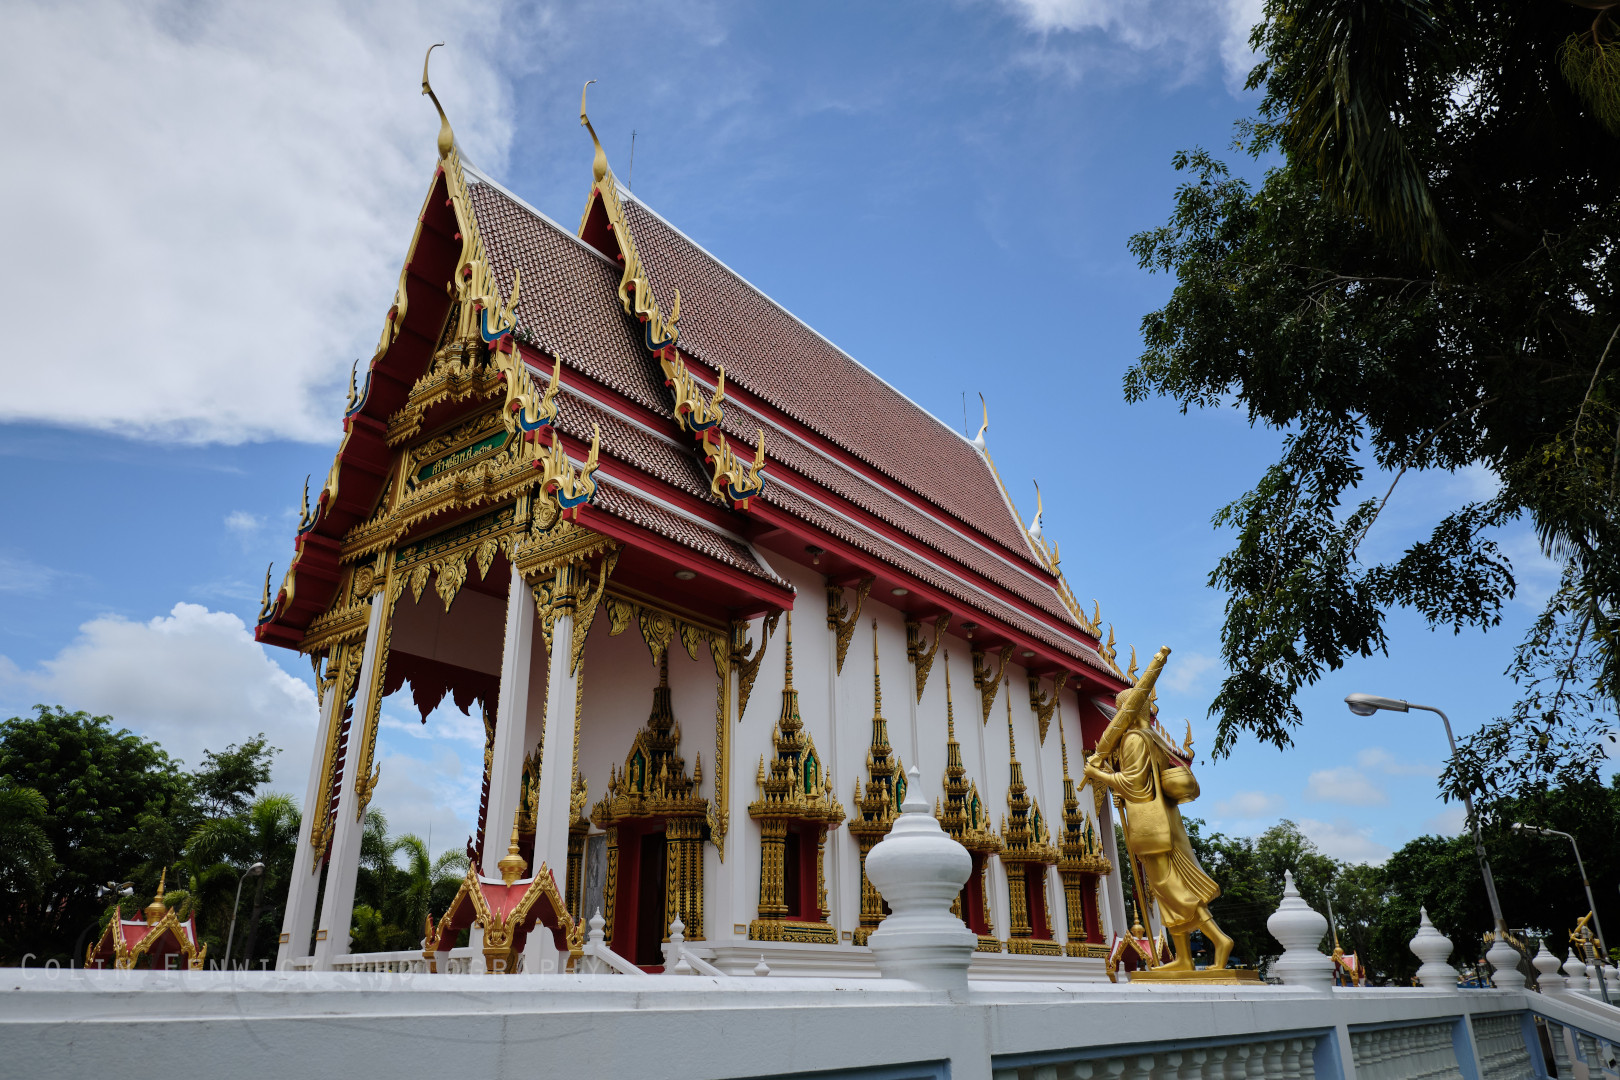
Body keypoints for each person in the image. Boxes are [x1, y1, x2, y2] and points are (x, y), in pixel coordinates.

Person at [1085, 646, 1234, 971]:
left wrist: (1097, 773)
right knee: (1163, 889)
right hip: (1157, 820)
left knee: (1169, 886)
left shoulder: (1135, 739)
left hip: (1150, 822)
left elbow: (1134, 783)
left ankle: (1219, 940)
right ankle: (1183, 958)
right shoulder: (1150, 738)